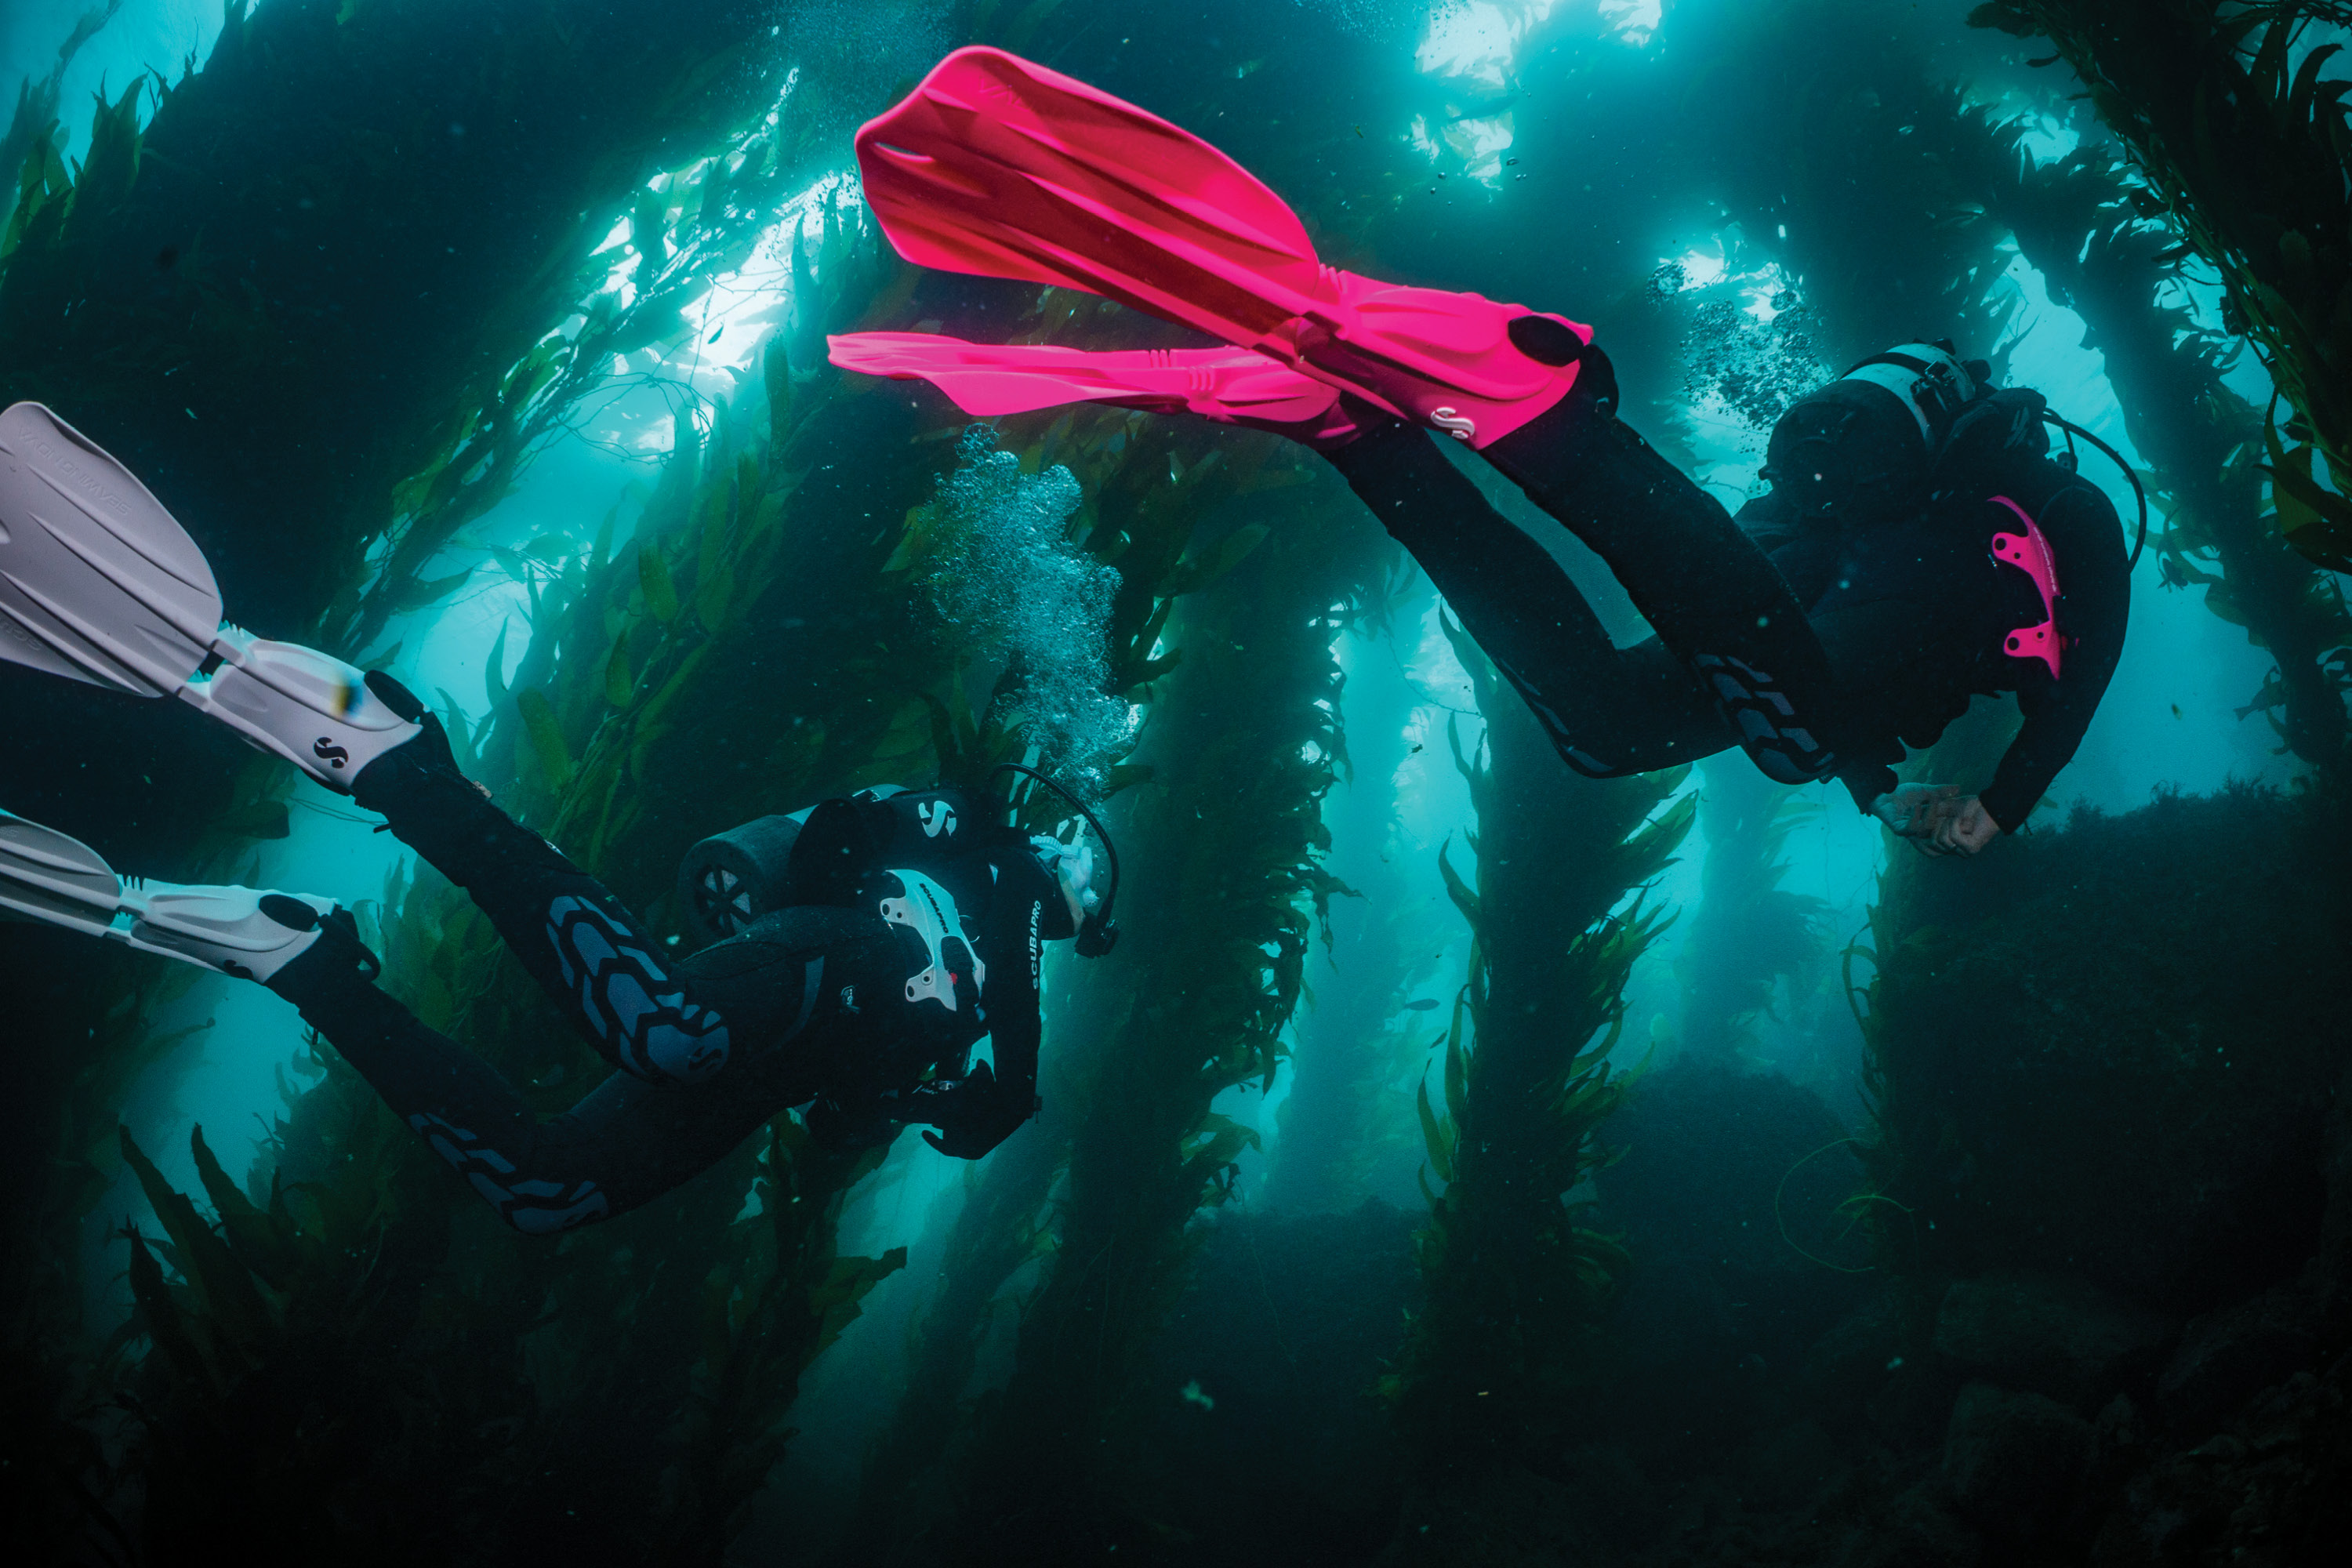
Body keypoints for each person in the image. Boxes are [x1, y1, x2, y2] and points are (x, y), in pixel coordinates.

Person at [824, 47, 2132, 853]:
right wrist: (2002, 806)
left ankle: (1357, 435)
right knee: (1793, 729)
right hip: (1817, 608)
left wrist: (1870, 765)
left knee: (1608, 728)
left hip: (1790, 570)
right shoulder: (2055, 504)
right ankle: (1533, 407)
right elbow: (2087, 656)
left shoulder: (1948, 500)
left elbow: (1803, 606)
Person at [0, 402, 1101, 1235]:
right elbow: (991, 950)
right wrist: (1011, 1085)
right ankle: (399, 765)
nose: (1085, 892)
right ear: (1059, 847)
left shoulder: (981, 999)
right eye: (1092, 870)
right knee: (664, 1029)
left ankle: (300, 960)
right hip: (816, 959)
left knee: (546, 1191)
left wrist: (917, 1102)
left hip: (775, 1063)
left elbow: (844, 1117)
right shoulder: (997, 862)